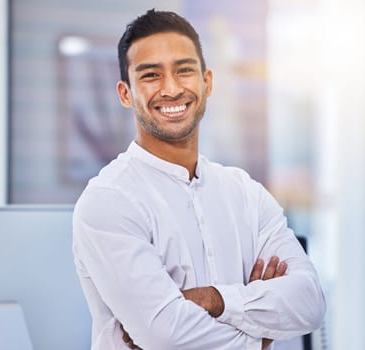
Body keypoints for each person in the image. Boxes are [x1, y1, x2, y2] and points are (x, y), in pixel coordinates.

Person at [73, 9, 325, 350]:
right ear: (125, 93)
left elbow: (310, 303)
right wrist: (262, 335)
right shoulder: (109, 200)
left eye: (184, 70)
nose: (172, 89)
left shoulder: (246, 194)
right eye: (151, 75)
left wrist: (215, 299)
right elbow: (165, 336)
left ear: (207, 82)